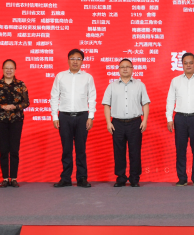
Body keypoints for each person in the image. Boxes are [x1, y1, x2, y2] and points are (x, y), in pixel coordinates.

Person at [51, 48, 96, 188]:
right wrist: (55, 116)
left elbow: (92, 97)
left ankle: (82, 178)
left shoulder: (88, 77)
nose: (75, 61)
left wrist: (91, 116)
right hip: (64, 116)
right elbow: (54, 96)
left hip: (82, 116)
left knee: (81, 149)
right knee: (66, 149)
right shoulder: (60, 76)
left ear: (82, 61)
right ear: (68, 60)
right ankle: (65, 178)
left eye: (78, 59)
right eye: (72, 59)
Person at [166, 52, 194, 186]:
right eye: (185, 63)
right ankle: (182, 178)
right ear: (182, 65)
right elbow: (170, 100)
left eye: (191, 63)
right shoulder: (175, 81)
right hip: (180, 118)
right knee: (180, 149)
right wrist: (169, 118)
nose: (188, 65)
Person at [102, 59, 150, 187]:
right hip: (117, 123)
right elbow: (106, 105)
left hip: (135, 123)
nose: (125, 69)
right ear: (118, 69)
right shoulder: (112, 86)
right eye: (122, 67)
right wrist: (108, 122)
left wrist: (145, 120)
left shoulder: (140, 85)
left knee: (135, 152)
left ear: (132, 69)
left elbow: (145, 103)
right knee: (119, 152)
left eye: (127, 66)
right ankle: (121, 178)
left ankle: (134, 178)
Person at [0, 59, 29, 188]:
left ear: (15, 70)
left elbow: (26, 102)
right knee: (3, 149)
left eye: (11, 68)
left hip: (16, 120)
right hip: (0, 120)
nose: (9, 70)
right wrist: (2, 107)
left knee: (14, 150)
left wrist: (15, 107)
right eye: (6, 68)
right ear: (3, 69)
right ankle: (5, 178)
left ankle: (14, 178)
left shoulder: (21, 84)